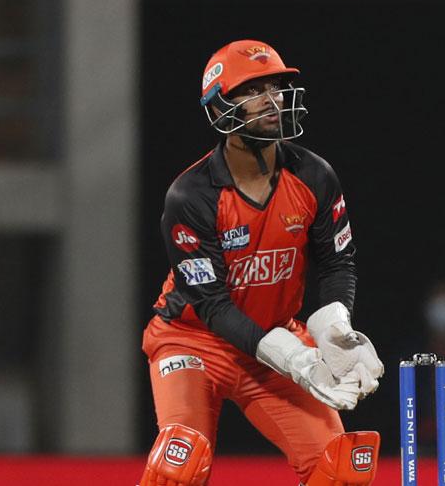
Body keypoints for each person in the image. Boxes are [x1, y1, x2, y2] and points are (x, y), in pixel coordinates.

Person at [139, 40, 384, 486]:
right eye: (252, 90)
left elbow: (337, 263)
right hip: (194, 341)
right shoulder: (191, 196)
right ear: (219, 107)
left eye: (274, 87)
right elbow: (212, 305)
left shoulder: (313, 175)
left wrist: (333, 327)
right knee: (179, 469)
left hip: (275, 336)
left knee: (340, 471)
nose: (271, 99)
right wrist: (294, 358)